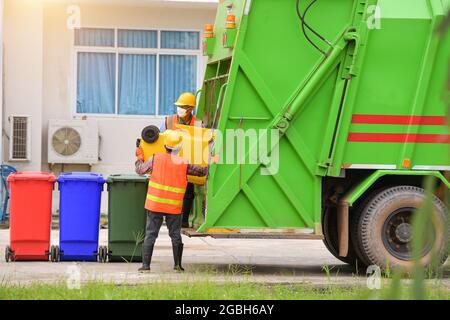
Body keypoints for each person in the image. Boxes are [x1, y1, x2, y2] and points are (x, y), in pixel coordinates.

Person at [135, 131, 208, 273]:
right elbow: (202, 172)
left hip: (155, 205)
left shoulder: (156, 158)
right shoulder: (183, 162)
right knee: (175, 235)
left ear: (164, 145)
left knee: (151, 234)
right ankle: (177, 266)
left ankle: (145, 266)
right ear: (179, 148)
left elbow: (140, 170)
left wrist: (139, 155)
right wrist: (213, 160)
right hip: (173, 207)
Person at [160, 92, 203, 229]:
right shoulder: (169, 121)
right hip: (170, 162)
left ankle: (183, 221)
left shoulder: (197, 124)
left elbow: (203, 144)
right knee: (168, 191)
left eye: (183, 107)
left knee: (188, 192)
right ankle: (169, 219)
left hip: (187, 164)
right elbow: (160, 139)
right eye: (179, 106)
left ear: (190, 109)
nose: (180, 109)